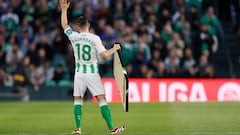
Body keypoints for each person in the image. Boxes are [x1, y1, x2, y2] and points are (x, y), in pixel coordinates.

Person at [59, 0, 126, 134]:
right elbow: (105, 55)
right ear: (88, 25)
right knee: (101, 100)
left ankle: (78, 129)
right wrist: (114, 48)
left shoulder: (74, 36)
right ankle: (112, 128)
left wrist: (64, 9)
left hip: (79, 73)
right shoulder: (95, 38)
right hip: (92, 73)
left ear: (77, 27)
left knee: (78, 100)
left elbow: (64, 25)